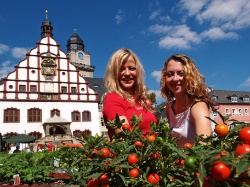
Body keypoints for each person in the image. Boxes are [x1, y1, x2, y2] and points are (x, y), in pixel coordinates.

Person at [160, 54, 215, 148]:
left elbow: (205, 149)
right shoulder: (169, 108)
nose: (175, 78)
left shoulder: (198, 107)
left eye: (181, 74)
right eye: (170, 74)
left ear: (190, 76)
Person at [102, 48, 157, 140]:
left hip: (152, 152)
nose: (127, 73)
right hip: (133, 153)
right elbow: (126, 137)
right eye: (121, 69)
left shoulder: (143, 100)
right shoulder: (112, 99)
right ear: (114, 73)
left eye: (131, 68)